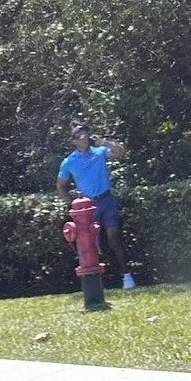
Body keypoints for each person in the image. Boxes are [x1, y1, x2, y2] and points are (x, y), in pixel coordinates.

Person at [56, 122, 136, 289]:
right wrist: (73, 206)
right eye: (79, 136)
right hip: (87, 207)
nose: (84, 139)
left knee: (113, 236)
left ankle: (126, 275)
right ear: (74, 141)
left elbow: (121, 152)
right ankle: (99, 281)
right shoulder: (69, 162)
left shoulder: (99, 152)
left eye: (86, 135)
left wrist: (104, 142)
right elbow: (60, 187)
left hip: (107, 200)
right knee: (91, 244)